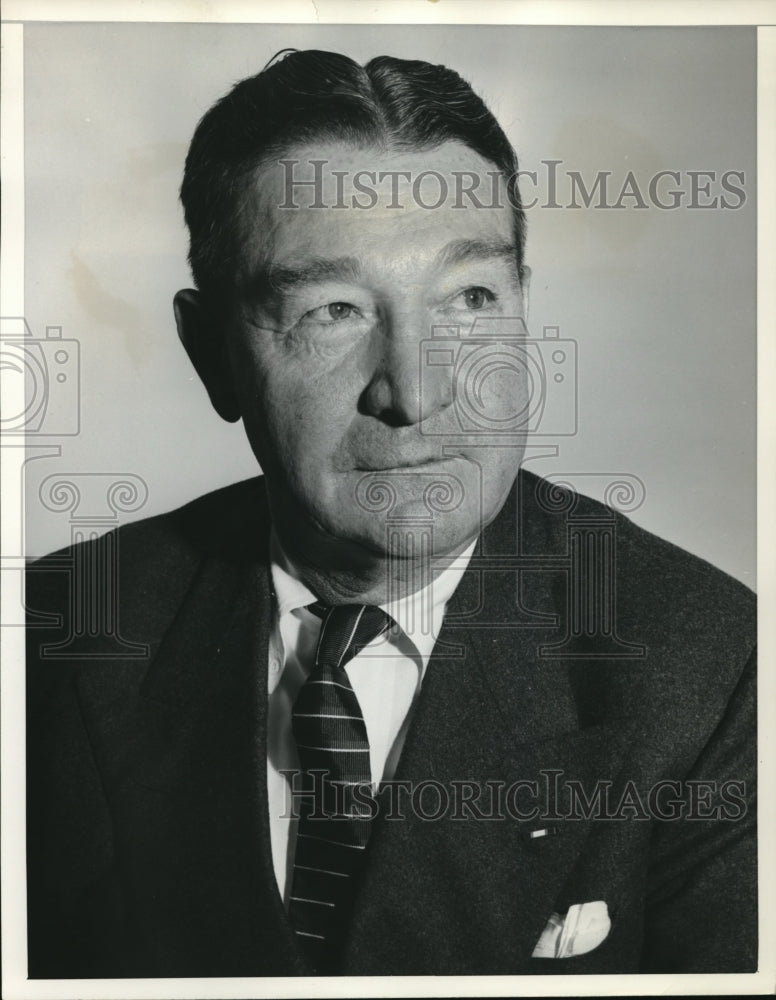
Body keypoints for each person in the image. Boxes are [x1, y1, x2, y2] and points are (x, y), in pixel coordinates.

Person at [25, 49, 756, 978]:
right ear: (211, 352)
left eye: (470, 299)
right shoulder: (55, 639)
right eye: (332, 310)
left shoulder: (711, 667)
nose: (415, 392)